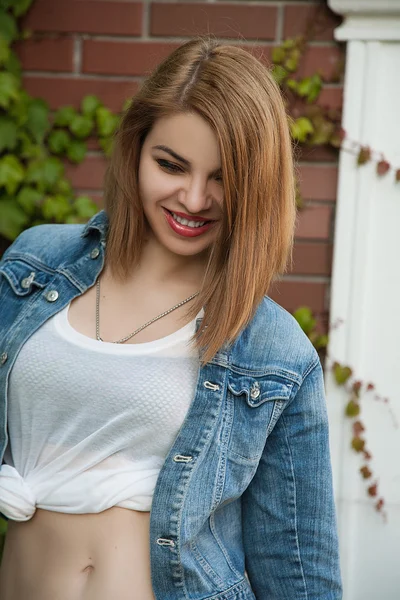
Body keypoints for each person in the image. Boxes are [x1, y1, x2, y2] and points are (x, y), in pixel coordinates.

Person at [0, 35, 343, 600]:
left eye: (223, 177)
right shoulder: (34, 264)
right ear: (136, 148)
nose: (192, 198)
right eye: (171, 164)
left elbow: (296, 568)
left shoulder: (275, 352)